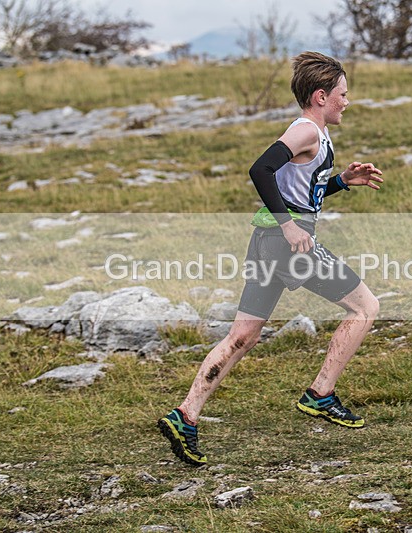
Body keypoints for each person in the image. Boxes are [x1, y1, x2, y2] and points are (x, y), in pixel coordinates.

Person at [157, 51, 384, 466]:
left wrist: (342, 181)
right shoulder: (305, 132)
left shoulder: (315, 135)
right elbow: (260, 170)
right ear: (321, 96)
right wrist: (290, 226)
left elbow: (301, 189)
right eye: (342, 93)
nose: (347, 101)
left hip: (266, 241)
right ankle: (320, 394)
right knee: (366, 307)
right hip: (286, 244)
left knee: (243, 336)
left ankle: (185, 415)